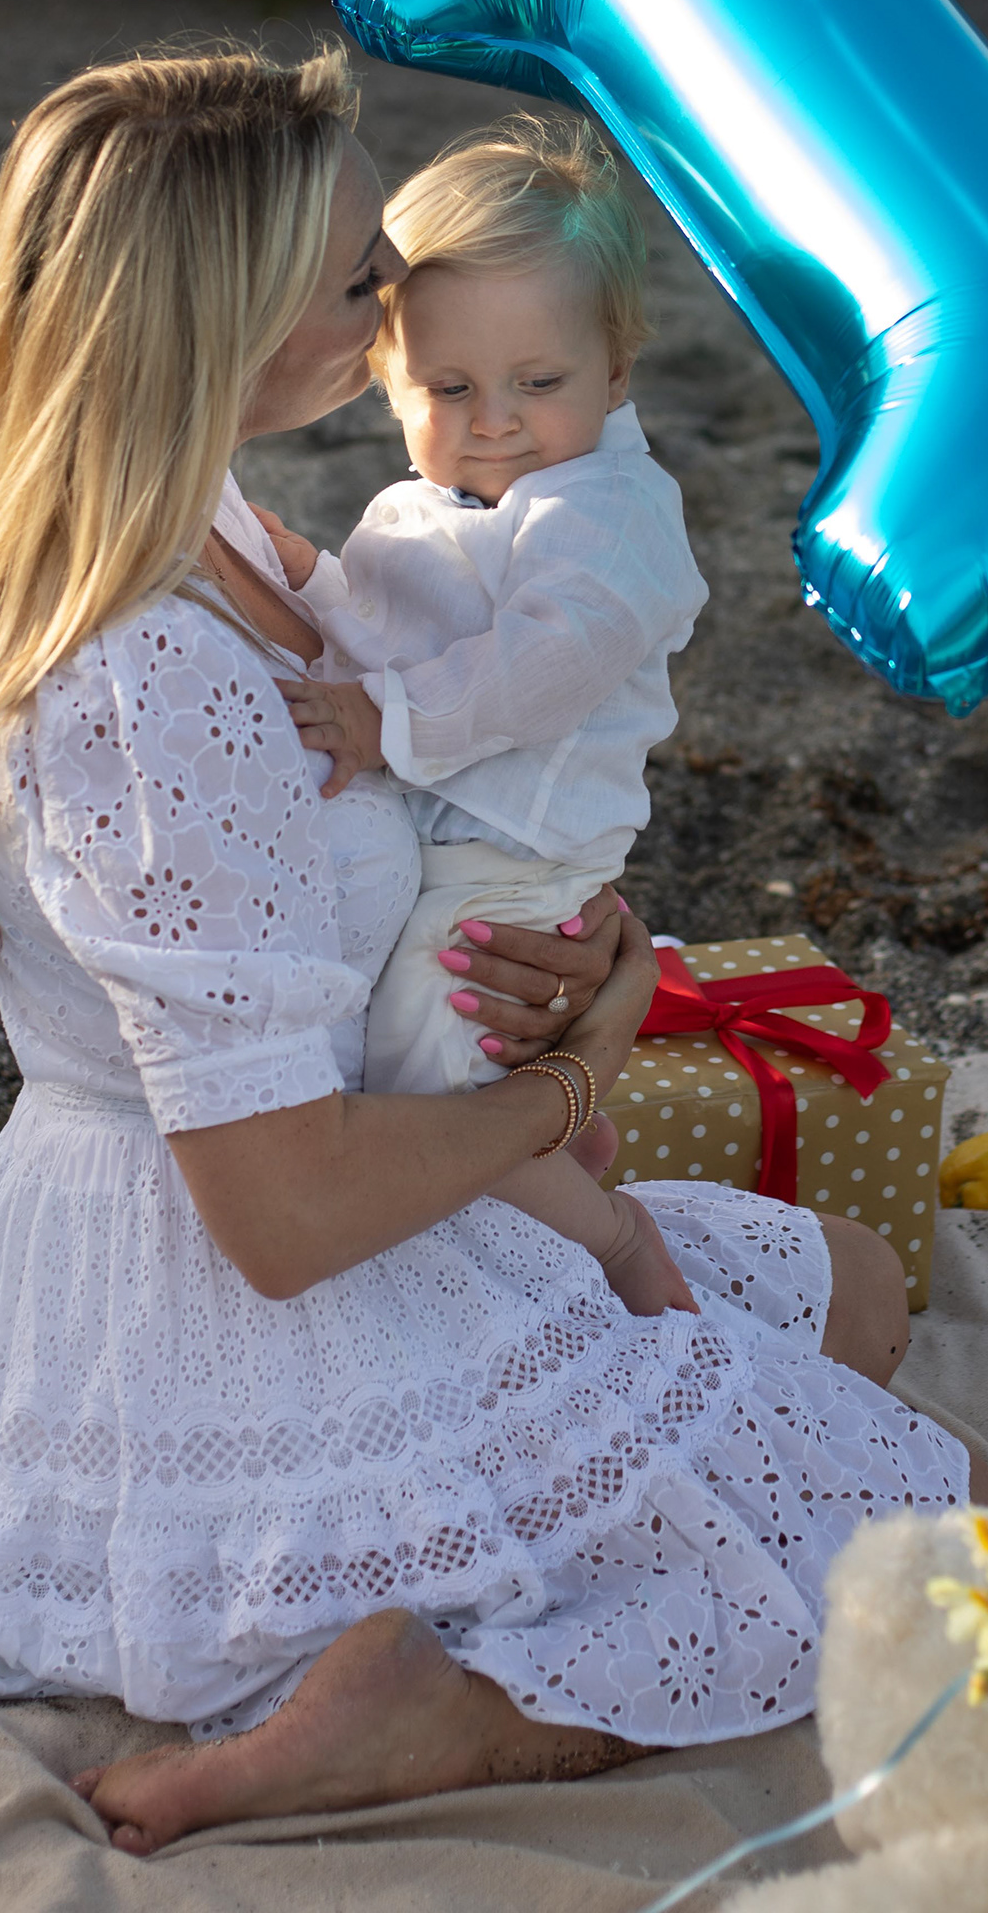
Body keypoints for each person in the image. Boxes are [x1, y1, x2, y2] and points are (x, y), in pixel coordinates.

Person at [0, 44, 982, 1858]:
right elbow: (282, 1216)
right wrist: (584, 1077)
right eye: (362, 278)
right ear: (226, 307)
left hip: (336, 1158)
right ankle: (424, 1707)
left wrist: (583, 955)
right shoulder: (147, 683)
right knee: (889, 1521)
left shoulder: (205, 518)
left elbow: (418, 823)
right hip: (237, 1282)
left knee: (856, 1289)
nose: (393, 311)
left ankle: (440, 1632)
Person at [254, 114, 708, 1316]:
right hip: (449, 839)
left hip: (517, 859)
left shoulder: (606, 513)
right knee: (411, 1060)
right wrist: (310, 583)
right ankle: (554, 1157)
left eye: (538, 383)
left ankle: (609, 1238)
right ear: (388, 381)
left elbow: (539, 667)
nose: (494, 419)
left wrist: (383, 720)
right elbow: (386, 625)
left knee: (425, 1087)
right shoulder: (429, 504)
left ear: (615, 372)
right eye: (447, 388)